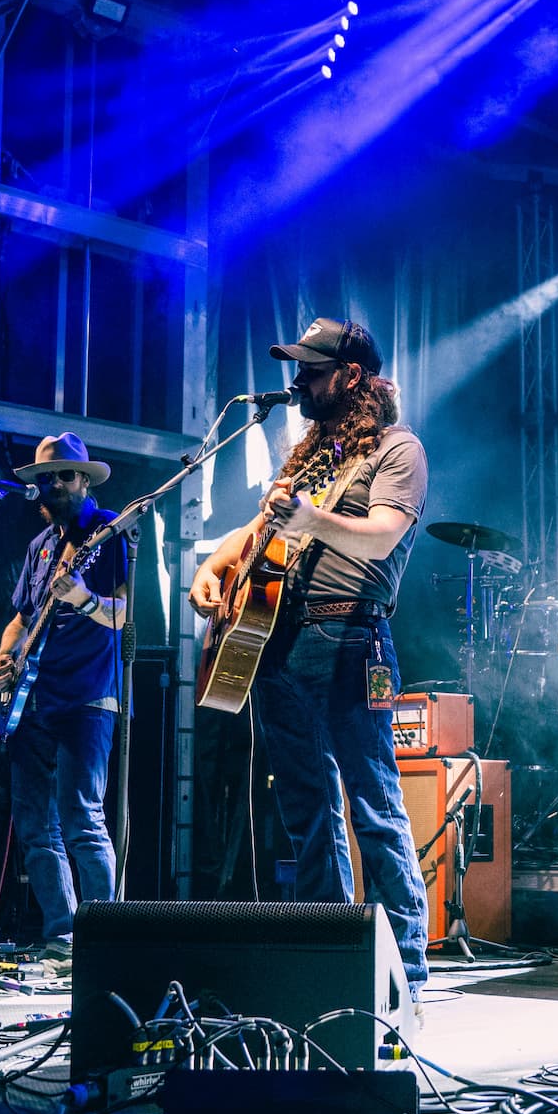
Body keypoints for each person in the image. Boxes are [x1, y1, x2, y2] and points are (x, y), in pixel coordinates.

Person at [188, 317, 431, 994]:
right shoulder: (311, 455)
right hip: (276, 642)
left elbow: (381, 537)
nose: (298, 381)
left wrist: (309, 520)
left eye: (312, 369)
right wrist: (212, 567)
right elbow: (257, 528)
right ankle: (331, 955)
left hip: (350, 638)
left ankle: (407, 967)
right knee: (305, 808)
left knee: (372, 803)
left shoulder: (397, 450)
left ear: (352, 376)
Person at [0, 432, 130, 957]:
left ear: (84, 481)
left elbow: (124, 617)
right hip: (32, 698)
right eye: (46, 479)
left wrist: (85, 598)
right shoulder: (41, 546)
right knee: (34, 825)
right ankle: (61, 936)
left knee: (81, 818)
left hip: (90, 696)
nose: (54, 486)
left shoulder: (109, 533)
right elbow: (22, 618)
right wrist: (6, 658)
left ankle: (104, 937)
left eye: (64, 477)